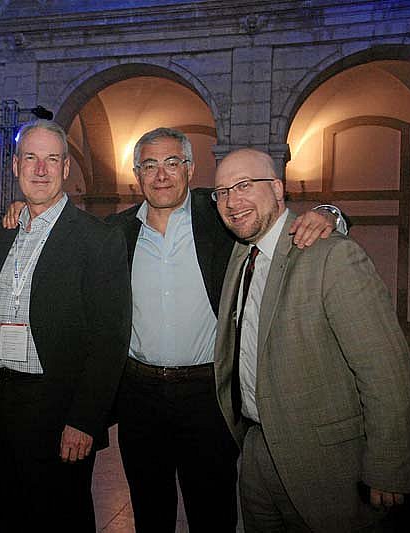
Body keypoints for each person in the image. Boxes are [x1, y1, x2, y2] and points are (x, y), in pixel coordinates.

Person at [103, 128, 344, 532]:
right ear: (137, 174)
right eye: (150, 165)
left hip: (207, 395)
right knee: (149, 509)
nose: (161, 175)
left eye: (172, 163)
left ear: (190, 168)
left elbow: (274, 216)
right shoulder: (117, 230)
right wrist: (24, 211)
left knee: (212, 510)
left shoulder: (219, 214)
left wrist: (330, 214)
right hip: (138, 397)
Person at [212, 148, 410, 532]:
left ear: (278, 188)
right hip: (255, 451)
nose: (231, 201)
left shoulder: (332, 256)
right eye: (222, 192)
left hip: (325, 463)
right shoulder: (241, 255)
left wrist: (389, 464)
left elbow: (384, 368)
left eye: (244, 185)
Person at [0, 119, 131, 532]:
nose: (40, 169)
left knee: (63, 518)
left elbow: (110, 338)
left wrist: (85, 419)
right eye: (31, 158)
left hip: (58, 408)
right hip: (2, 405)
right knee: (11, 515)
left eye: (51, 159)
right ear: (15, 166)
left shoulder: (97, 239)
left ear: (66, 168)